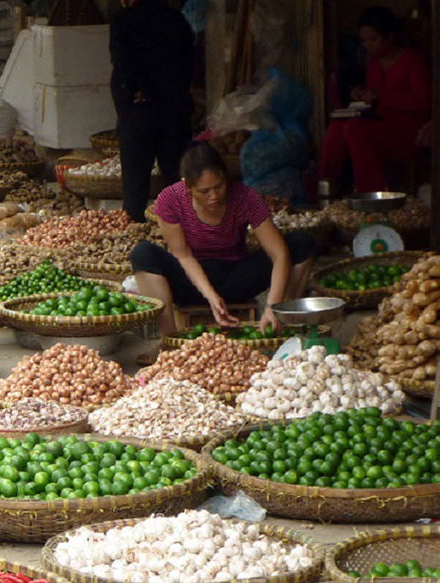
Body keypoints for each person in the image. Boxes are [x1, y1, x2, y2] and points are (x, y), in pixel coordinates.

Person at [130, 143, 314, 362]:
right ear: (187, 186)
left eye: (219, 186)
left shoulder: (246, 197)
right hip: (192, 281)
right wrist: (211, 296)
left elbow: (279, 254)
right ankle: (168, 342)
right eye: (204, 191)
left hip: (236, 277)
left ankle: (283, 325)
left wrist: (273, 306)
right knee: (143, 253)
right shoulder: (171, 199)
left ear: (226, 178)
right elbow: (183, 255)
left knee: (302, 243)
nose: (214, 196)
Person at [319, 6, 431, 193]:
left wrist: (381, 97)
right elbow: (374, 98)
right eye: (364, 41)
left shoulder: (412, 61)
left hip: (408, 133)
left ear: (390, 36)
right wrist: (362, 96)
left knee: (354, 128)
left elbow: (424, 103)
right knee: (337, 128)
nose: (368, 45)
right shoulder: (373, 63)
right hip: (378, 125)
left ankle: (372, 194)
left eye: (373, 39)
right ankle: (325, 188)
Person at [110, 0, 194, 223]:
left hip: (140, 109)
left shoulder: (123, 20)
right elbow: (190, 61)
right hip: (174, 109)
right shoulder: (176, 19)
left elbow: (121, 60)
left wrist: (134, 92)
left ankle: (134, 230)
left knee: (135, 181)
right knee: (176, 178)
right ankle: (180, 232)